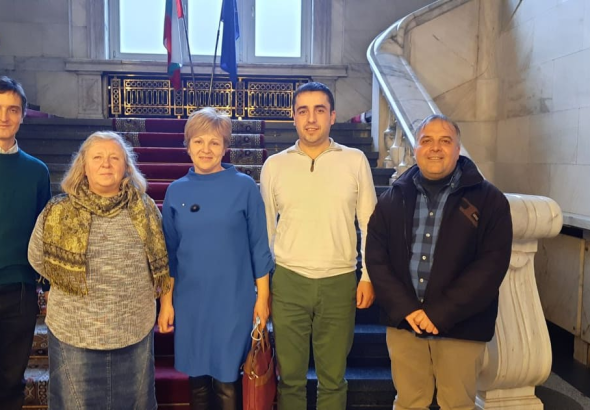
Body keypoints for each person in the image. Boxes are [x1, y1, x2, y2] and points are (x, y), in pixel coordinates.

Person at [366, 114, 513, 410]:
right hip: (405, 324)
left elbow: (491, 266)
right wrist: (407, 309)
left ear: (458, 150)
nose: (435, 148)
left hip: (462, 324)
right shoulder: (393, 198)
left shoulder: (490, 200)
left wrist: (439, 312)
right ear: (415, 149)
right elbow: (377, 258)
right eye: (427, 140)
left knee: (457, 404)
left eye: (445, 141)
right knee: (408, 403)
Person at [28, 131, 171, 410]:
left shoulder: (145, 209)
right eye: (98, 157)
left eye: (114, 158)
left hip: (132, 329)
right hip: (74, 332)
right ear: (83, 166)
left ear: (125, 167)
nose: (106, 164)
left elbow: (161, 258)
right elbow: (37, 258)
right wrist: (70, 282)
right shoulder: (57, 210)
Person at [260, 82, 377, 410]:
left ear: (332, 116)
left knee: (333, 379)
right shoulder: (275, 165)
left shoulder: (355, 161)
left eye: (319, 110)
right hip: (288, 281)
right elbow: (266, 230)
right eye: (303, 111)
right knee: (290, 379)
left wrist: (368, 276)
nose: (311, 119)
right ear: (294, 117)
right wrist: (264, 288)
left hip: (339, 282)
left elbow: (370, 223)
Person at [159, 107, 273, 410]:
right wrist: (167, 302)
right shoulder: (175, 191)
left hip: (233, 300)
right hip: (191, 300)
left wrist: (263, 298)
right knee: (197, 379)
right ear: (188, 146)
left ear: (225, 147)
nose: (206, 149)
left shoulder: (244, 187)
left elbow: (259, 246)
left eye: (214, 142)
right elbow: (169, 253)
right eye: (198, 141)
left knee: (227, 378)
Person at [0, 76, 51, 410]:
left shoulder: (37, 171)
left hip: (18, 290)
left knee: (10, 381)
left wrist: (45, 285)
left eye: (13, 109)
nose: (4, 117)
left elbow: (44, 233)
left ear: (23, 115)